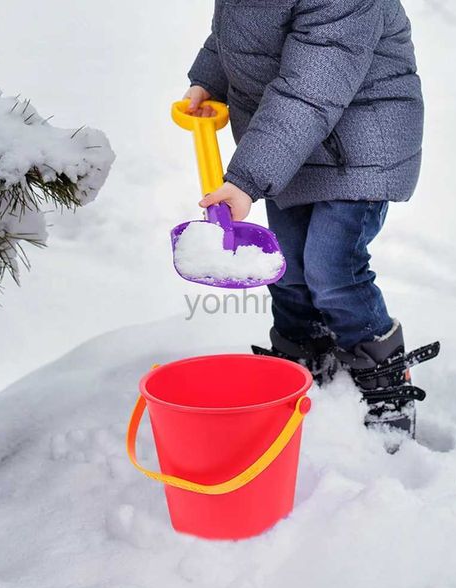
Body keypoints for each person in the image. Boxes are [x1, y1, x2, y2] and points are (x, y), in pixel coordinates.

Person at [184, 0, 438, 437]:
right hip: (293, 143)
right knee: (287, 266)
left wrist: (248, 179)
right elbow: (240, 33)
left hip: (359, 142)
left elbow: (310, 89)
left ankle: (383, 379)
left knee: (332, 267)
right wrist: (210, 80)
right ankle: (301, 357)